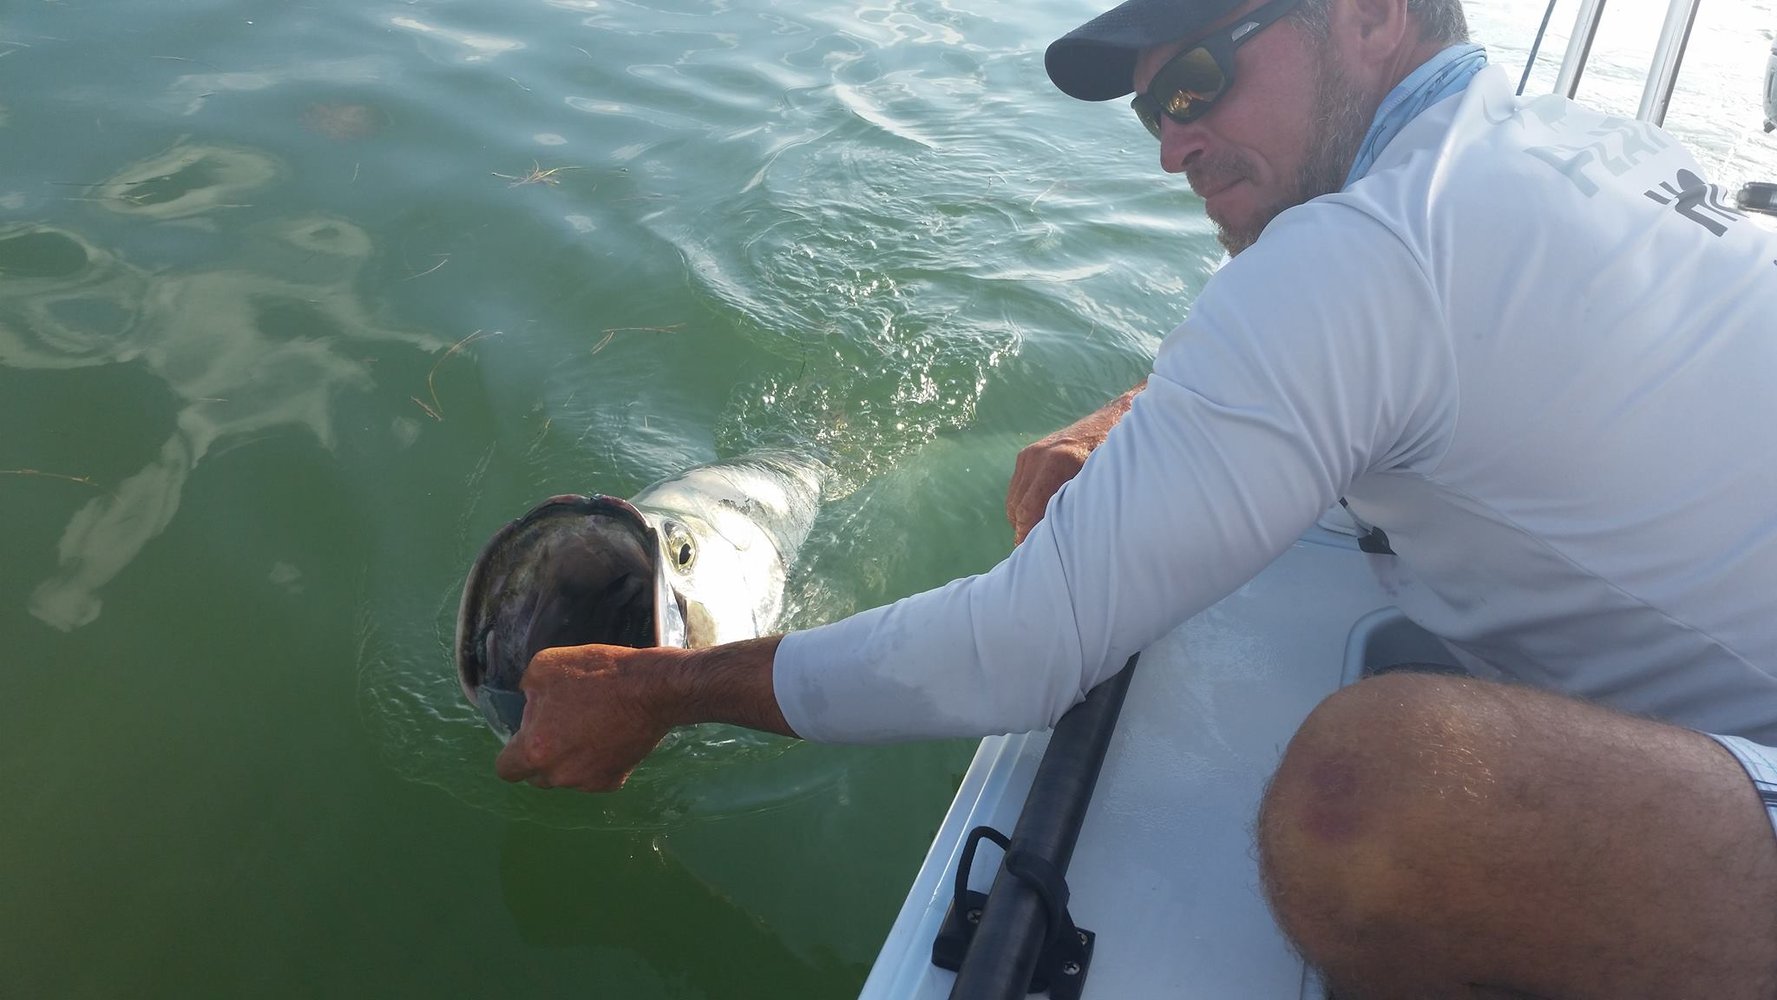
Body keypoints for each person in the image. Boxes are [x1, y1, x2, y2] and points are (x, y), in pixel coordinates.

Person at [496, 0, 1777, 993]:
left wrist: (656, 692)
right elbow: (1335, 352)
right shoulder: (1566, 150)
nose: (1171, 143)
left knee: (1374, 797)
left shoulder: (1371, 247)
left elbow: (1019, 652)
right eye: (1151, 107)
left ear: (1374, 13)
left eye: (1200, 77)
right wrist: (1130, 419)